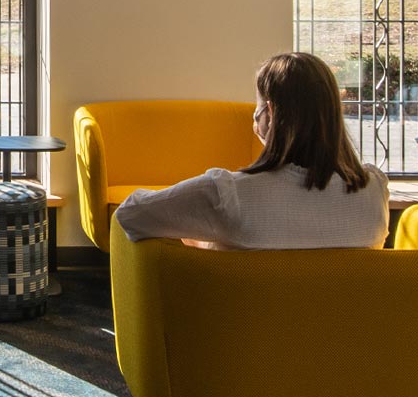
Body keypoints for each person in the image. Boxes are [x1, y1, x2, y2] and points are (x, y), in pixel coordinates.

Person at [114, 51, 389, 250]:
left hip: (239, 330)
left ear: (269, 112)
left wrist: (202, 234)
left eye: (258, 105)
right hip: (345, 331)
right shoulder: (374, 193)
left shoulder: (226, 196)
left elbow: (129, 215)